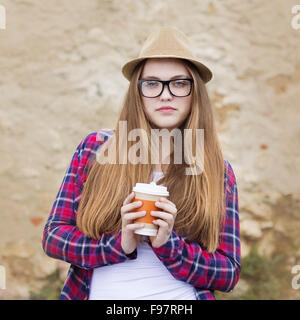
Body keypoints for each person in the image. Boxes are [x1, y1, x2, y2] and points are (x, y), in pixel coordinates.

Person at [42, 26, 241, 300]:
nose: (166, 94)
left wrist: (169, 245)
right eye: (152, 83)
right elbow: (54, 237)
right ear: (137, 91)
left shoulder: (216, 171)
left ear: (195, 93)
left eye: (180, 83)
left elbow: (228, 272)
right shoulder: (95, 149)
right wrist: (119, 243)